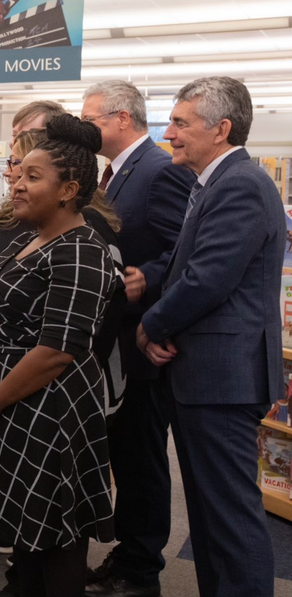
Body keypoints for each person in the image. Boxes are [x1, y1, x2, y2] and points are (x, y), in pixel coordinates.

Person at [0, 128, 124, 597]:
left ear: (69, 190)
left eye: (33, 176)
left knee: (56, 530)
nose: (17, 183)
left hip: (48, 407)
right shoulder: (25, 240)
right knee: (25, 524)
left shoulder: (81, 250)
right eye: (18, 173)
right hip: (7, 402)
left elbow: (57, 351)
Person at [138, 77, 283, 597]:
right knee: (208, 518)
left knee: (230, 519)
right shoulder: (215, 183)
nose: (169, 134)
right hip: (205, 374)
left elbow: (208, 277)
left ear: (220, 129)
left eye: (180, 123)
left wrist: (149, 325)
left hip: (222, 379)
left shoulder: (240, 183)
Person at [81, 81, 194, 597]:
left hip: (144, 340)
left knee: (142, 460)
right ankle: (126, 553)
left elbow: (185, 250)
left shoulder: (157, 170)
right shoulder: (114, 173)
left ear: (122, 118)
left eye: (93, 119)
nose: (86, 129)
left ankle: (141, 569)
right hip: (115, 340)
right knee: (122, 455)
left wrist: (146, 276)